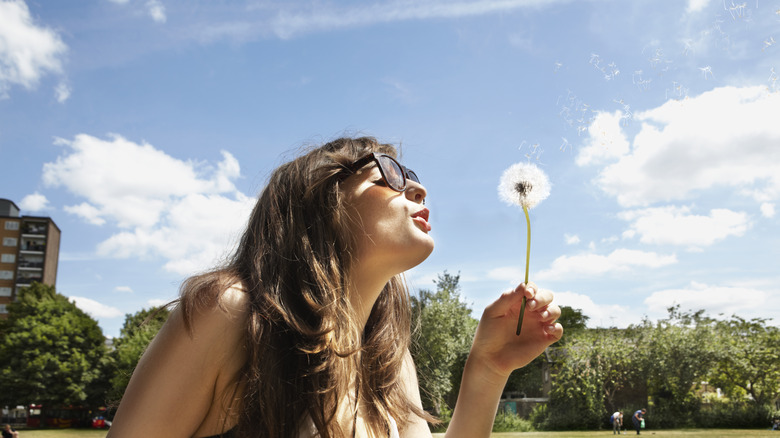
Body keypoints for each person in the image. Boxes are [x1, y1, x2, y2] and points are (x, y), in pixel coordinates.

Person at [106, 137, 563, 438]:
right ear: (321, 200)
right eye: (389, 171)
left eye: (417, 177)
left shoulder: (388, 360)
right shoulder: (234, 314)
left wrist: (487, 368)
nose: (419, 189)